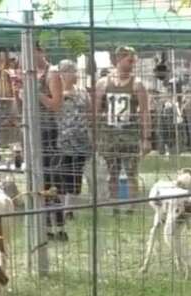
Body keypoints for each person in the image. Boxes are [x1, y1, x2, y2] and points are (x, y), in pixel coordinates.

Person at [94, 46, 150, 213]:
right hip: (109, 135)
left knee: (132, 172)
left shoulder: (138, 85)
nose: (132, 64)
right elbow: (96, 111)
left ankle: (132, 207)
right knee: (112, 173)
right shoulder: (103, 83)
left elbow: (145, 112)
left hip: (130, 135)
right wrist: (95, 134)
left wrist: (146, 138)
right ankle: (114, 206)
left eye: (134, 61)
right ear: (119, 59)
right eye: (129, 60)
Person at [24, 42, 64, 237]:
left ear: (41, 51)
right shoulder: (27, 74)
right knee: (33, 179)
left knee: (49, 180)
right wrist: (20, 93)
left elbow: (56, 105)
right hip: (30, 131)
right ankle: (40, 225)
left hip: (48, 131)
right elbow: (21, 107)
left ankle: (58, 226)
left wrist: (35, 93)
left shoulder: (52, 74)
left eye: (31, 52)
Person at [54, 59, 92, 238]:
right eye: (70, 71)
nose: (74, 74)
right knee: (64, 176)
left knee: (76, 176)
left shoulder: (83, 92)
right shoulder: (58, 93)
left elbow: (90, 112)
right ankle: (62, 208)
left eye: (75, 71)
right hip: (64, 141)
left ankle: (70, 209)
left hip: (82, 140)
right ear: (62, 74)